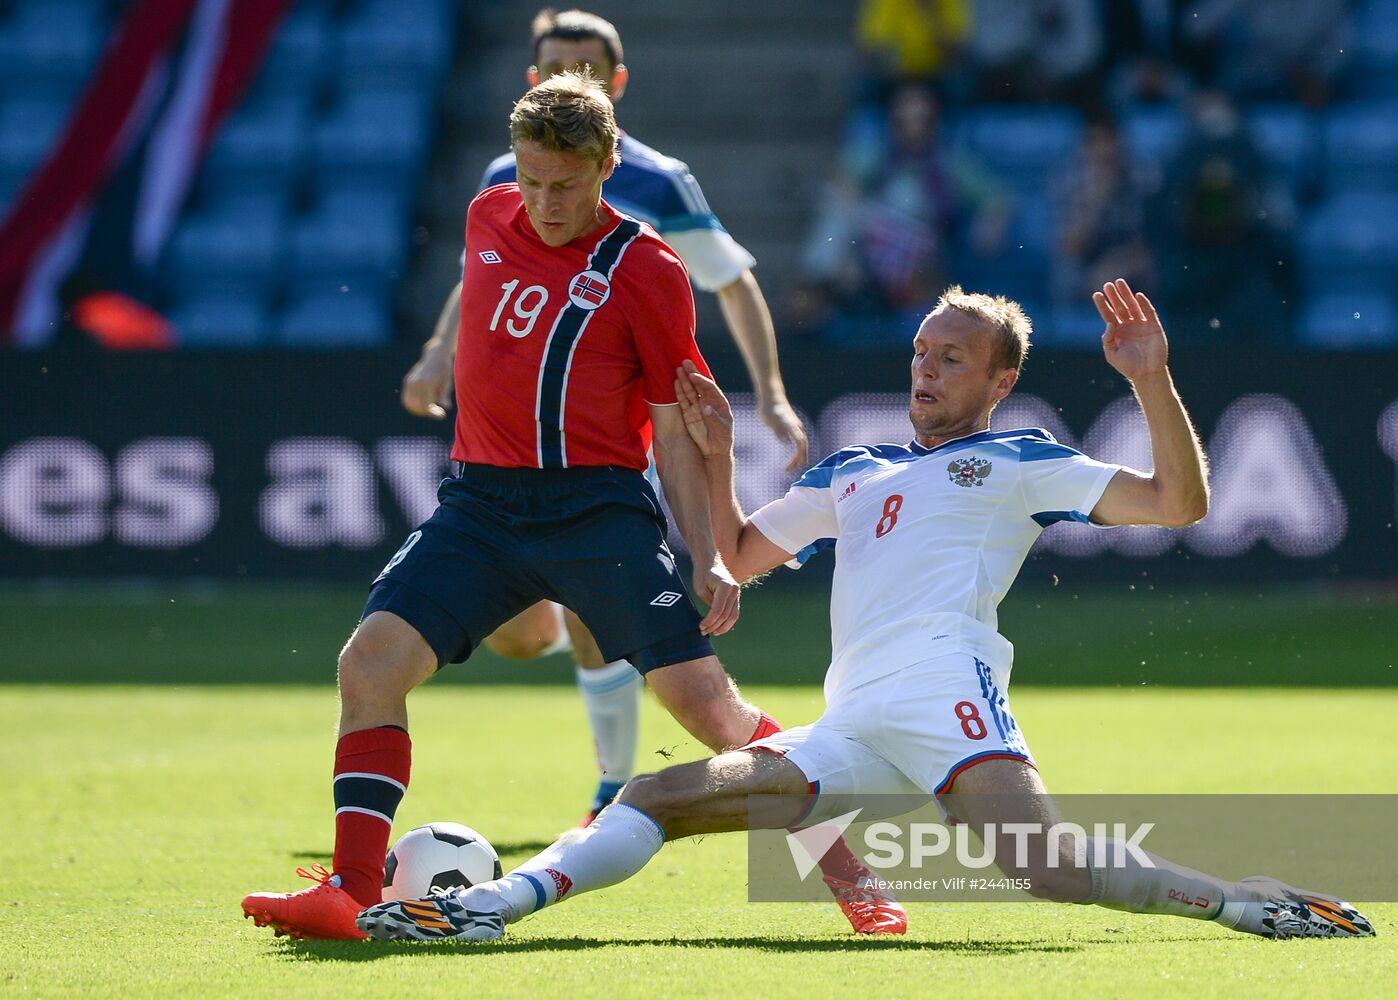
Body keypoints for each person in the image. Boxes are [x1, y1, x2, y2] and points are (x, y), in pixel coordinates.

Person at [355, 279, 1374, 944]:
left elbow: (1179, 504)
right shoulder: (856, 470)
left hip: (946, 693)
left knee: (1050, 871)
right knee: (658, 799)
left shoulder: (1023, 462)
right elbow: (740, 558)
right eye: (923, 352)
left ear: (1001, 380)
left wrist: (1152, 381)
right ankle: (485, 909)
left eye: (953, 359)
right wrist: (713, 463)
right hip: (852, 720)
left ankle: (1252, 902)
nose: (926, 370)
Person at [242, 72, 901, 941]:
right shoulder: (486, 218)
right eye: (530, 179)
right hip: (479, 505)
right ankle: (351, 893)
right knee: (368, 666)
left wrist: (704, 549)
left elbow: (679, 427)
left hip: (598, 514)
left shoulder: (646, 266)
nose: (545, 202)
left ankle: (851, 876)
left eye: (566, 184)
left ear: (608, 165)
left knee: (708, 711)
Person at [400, 9, 809, 826]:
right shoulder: (499, 183)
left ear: (615, 86)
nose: (572, 80)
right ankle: (581, 632)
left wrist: (769, 389)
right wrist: (440, 349)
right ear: (531, 79)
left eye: (587, 68)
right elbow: (482, 281)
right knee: (518, 638)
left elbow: (729, 280)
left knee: (613, 632)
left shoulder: (657, 188)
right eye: (557, 65)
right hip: (496, 485)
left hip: (599, 463)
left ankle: (612, 782)